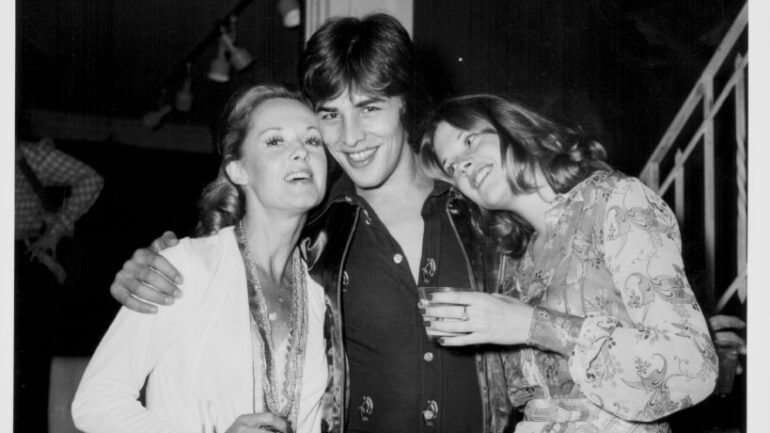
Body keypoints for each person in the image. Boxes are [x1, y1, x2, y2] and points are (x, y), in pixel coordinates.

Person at [106, 14, 514, 433]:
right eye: (331, 115)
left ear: (404, 103)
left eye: (369, 107)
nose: (351, 137)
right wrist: (148, 272)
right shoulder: (314, 232)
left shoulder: (484, 212)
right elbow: (230, 259)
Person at [418, 94, 718, 432]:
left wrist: (533, 325)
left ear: (510, 126)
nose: (465, 166)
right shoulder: (516, 264)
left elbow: (693, 367)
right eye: (453, 167)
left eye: (469, 141)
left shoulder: (614, 200)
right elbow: (524, 398)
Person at [72, 84, 334, 433]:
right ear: (238, 170)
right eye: (275, 141)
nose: (301, 151)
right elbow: (96, 402)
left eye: (313, 140)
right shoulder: (187, 266)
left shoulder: (322, 288)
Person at [15, 134, 104, 433]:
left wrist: (55, 230)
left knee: (28, 363)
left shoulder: (27, 155)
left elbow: (90, 179)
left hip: (22, 257)